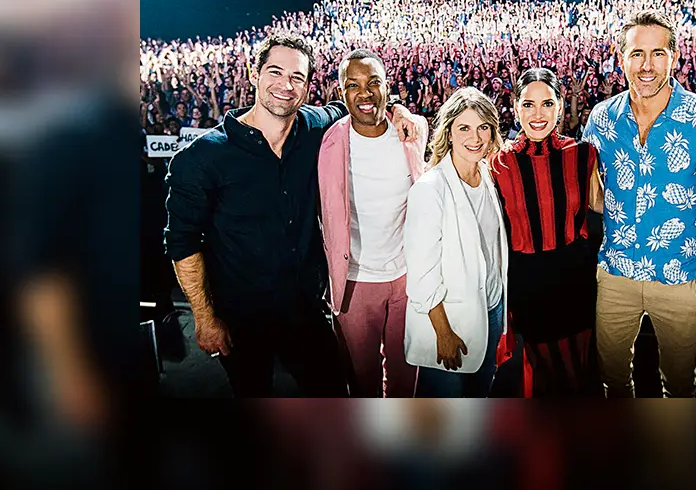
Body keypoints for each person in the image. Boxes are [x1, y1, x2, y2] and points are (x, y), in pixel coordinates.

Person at [163, 33, 417, 397]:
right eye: (275, 72)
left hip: (306, 314)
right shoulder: (203, 157)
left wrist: (397, 108)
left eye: (297, 77)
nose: (285, 85)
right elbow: (182, 243)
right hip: (241, 320)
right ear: (254, 74)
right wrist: (204, 319)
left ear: (307, 85)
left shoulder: (316, 127)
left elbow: (361, 101)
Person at [581, 11, 696, 398]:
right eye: (637, 54)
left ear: (674, 57)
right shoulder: (602, 119)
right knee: (612, 380)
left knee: (680, 385)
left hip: (682, 279)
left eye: (657, 53)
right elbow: (596, 197)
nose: (647, 65)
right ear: (621, 60)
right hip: (616, 275)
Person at [318, 49, 428, 398]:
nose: (364, 93)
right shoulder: (327, 140)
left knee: (406, 376)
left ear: (387, 86)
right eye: (353, 85)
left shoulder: (413, 131)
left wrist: (400, 109)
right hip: (354, 284)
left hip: (407, 278)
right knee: (362, 383)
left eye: (373, 83)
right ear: (341, 93)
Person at [489, 67, 604, 397]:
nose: (537, 115)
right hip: (531, 289)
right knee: (543, 377)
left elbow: (609, 205)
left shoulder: (583, 154)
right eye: (528, 104)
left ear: (561, 106)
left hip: (575, 284)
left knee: (578, 376)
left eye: (547, 104)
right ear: (515, 107)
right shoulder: (500, 163)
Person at [403, 87, 508, 398]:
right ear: (448, 132)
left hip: (491, 311)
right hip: (450, 322)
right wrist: (443, 332)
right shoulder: (430, 188)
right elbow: (421, 274)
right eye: (464, 128)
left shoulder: (489, 176)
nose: (474, 137)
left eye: (482, 127)